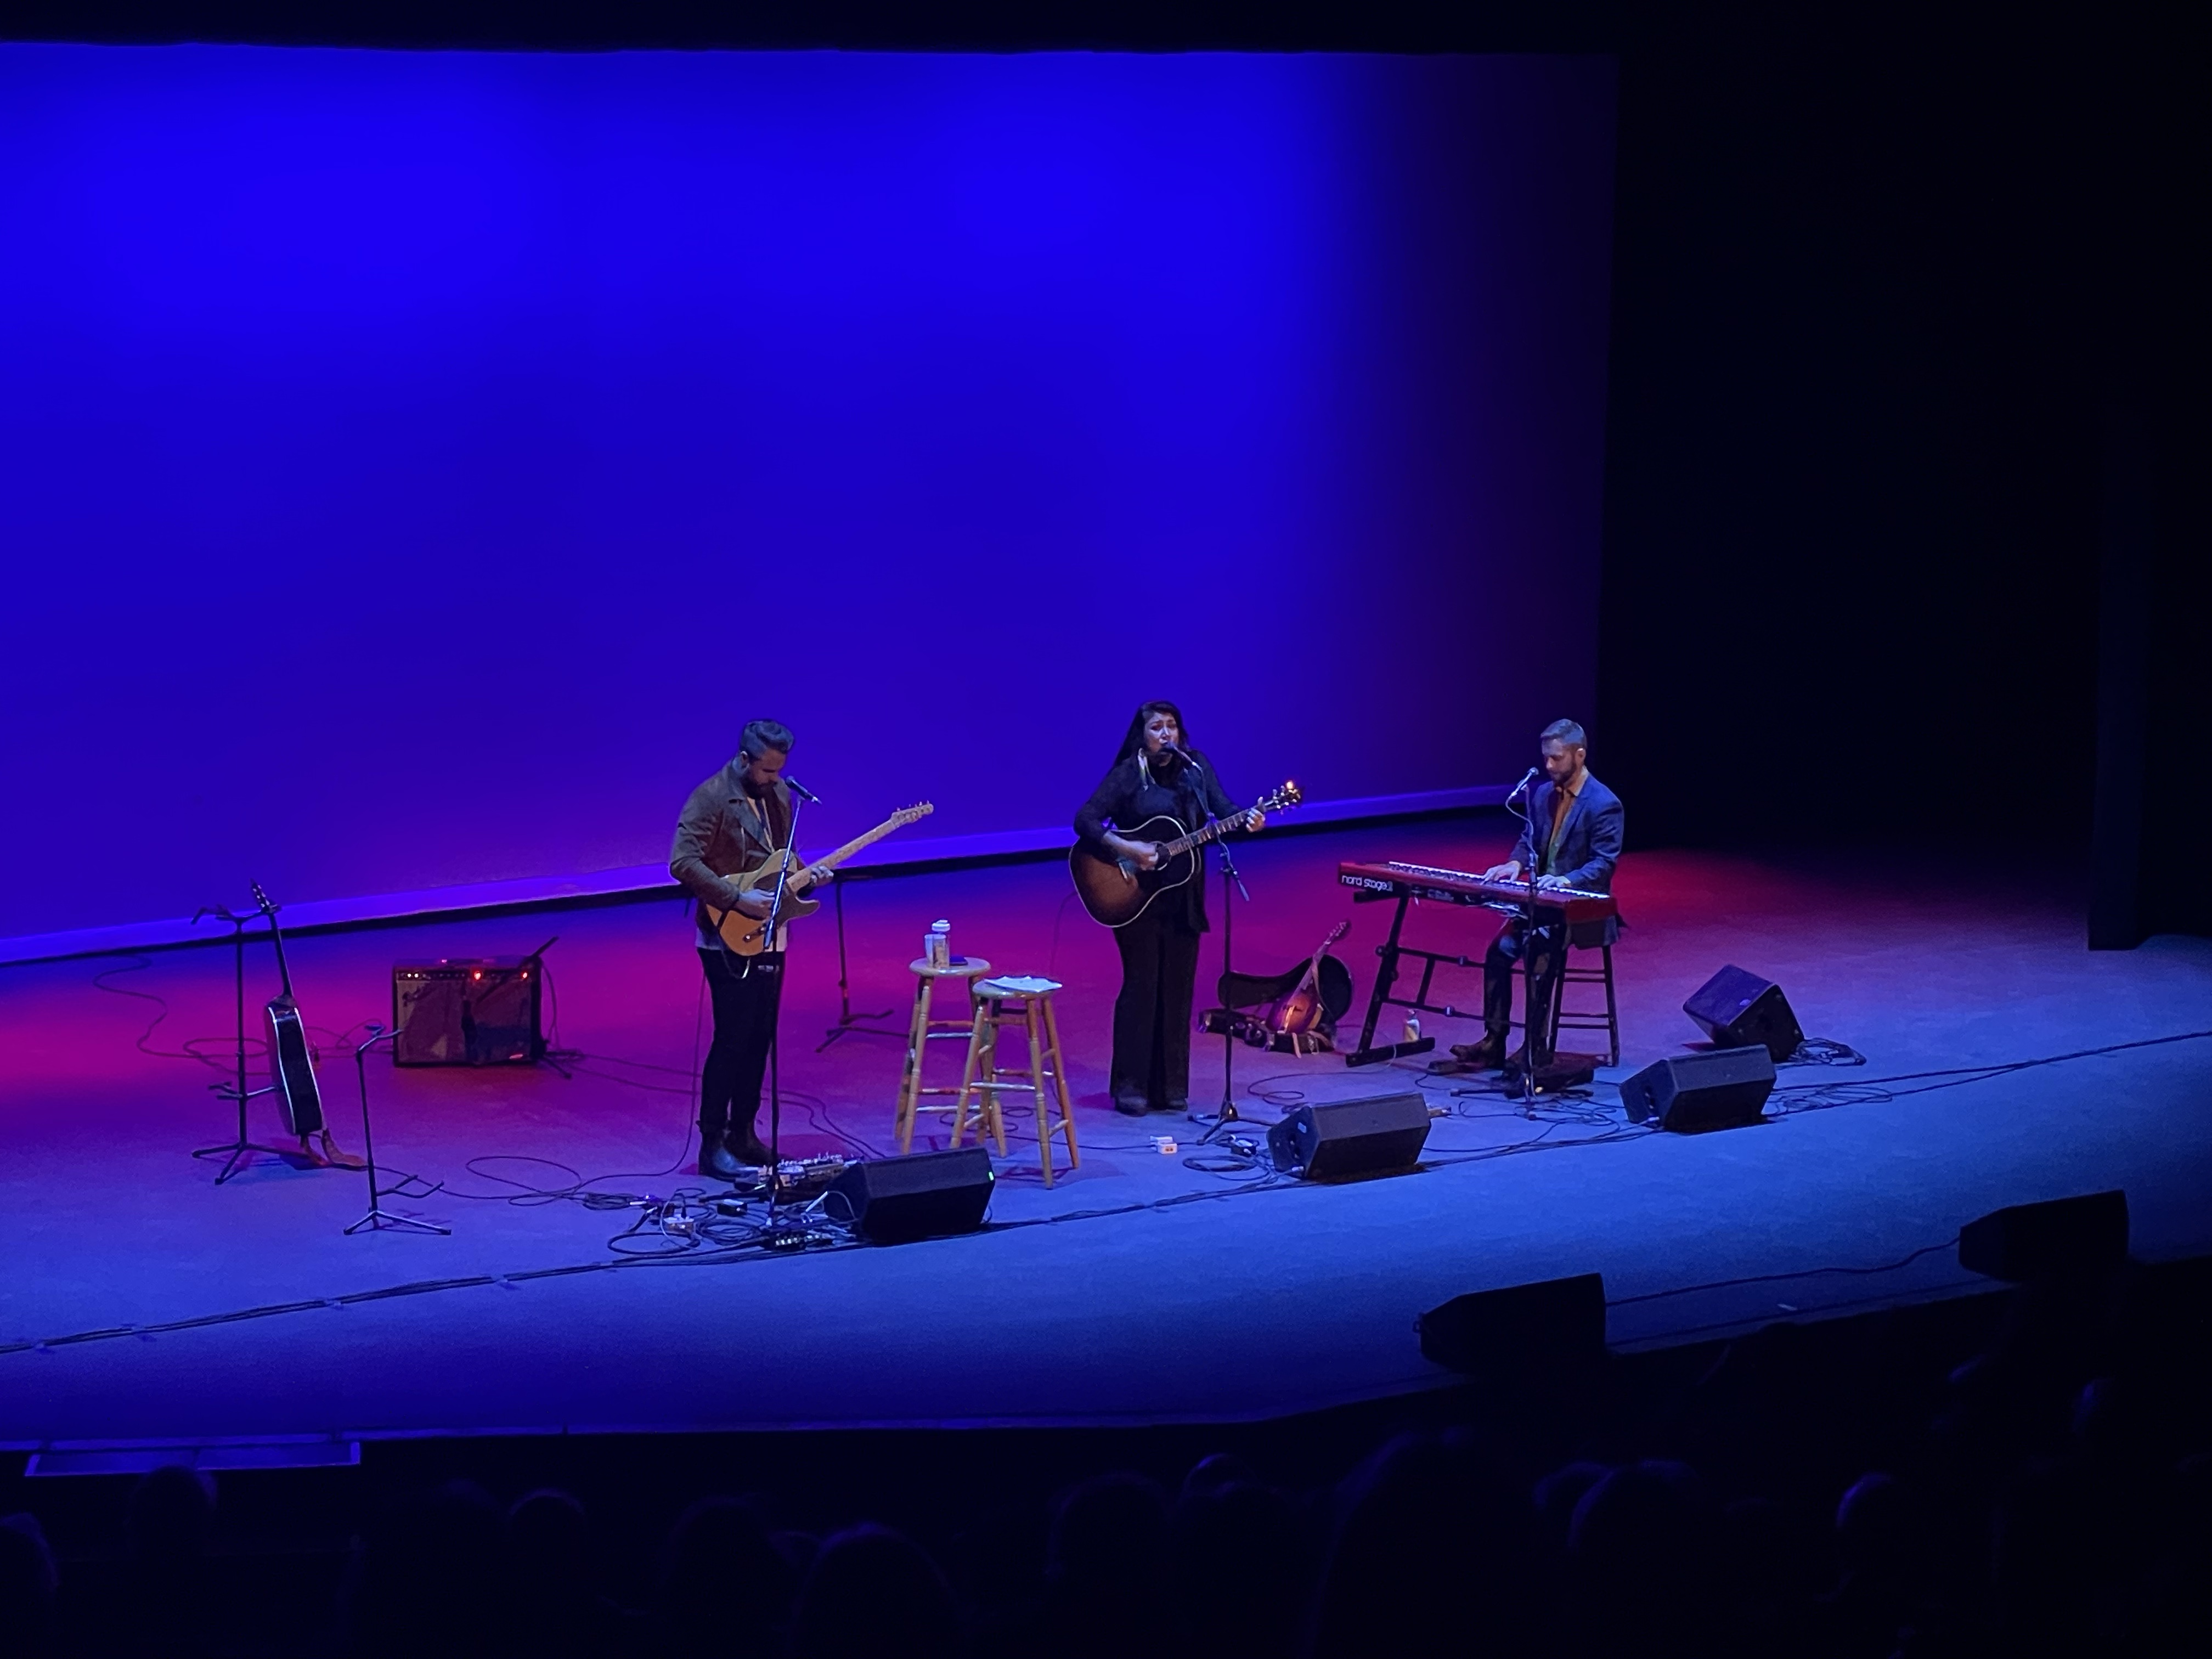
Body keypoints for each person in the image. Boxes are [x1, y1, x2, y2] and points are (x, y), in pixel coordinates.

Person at [1074, 701, 1263, 1115]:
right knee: (1142, 985)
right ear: (1142, 736)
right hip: (1134, 897)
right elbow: (1085, 820)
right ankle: (1130, 1086)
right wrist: (1126, 848)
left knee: (1179, 988)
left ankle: (1171, 1087)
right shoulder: (1129, 773)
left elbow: (1224, 810)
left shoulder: (1195, 769)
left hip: (1183, 895)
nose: (1166, 734)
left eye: (1172, 726)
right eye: (1157, 727)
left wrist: (1247, 818)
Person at [669, 720, 830, 1177]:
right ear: (744, 760)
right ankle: (712, 1142)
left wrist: (807, 877)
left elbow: (780, 860)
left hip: (770, 933)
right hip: (724, 934)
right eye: (767, 770)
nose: (774, 778)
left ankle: (743, 1133)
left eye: (779, 770)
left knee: (760, 1037)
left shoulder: (778, 794)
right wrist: (737, 899)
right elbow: (682, 861)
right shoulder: (711, 797)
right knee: (732, 1037)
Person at [1453, 718, 1623, 1070]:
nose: (1548, 765)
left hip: (1582, 909)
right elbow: (1527, 841)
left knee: (1538, 953)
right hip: (1542, 907)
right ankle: (1494, 1041)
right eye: (1545, 757)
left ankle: (1535, 1048)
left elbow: (1603, 865)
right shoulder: (1544, 794)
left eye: (1556, 758)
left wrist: (1565, 881)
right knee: (1498, 952)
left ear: (1579, 755)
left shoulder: (1605, 803)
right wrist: (1514, 865)